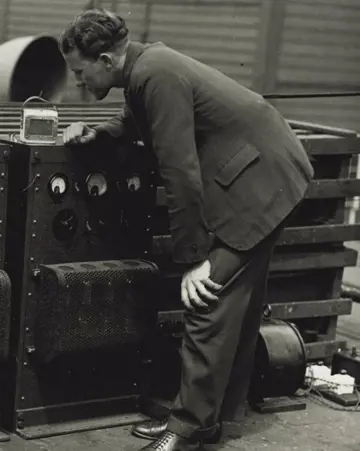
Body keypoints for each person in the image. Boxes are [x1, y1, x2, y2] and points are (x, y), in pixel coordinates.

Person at [59, 8, 314, 451]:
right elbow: (138, 121)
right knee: (233, 308)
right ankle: (205, 421)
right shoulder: (143, 67)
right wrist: (97, 135)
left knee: (207, 300)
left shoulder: (154, 73)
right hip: (263, 171)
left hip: (260, 182)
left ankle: (186, 428)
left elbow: (179, 170)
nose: (81, 83)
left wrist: (196, 259)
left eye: (82, 73)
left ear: (105, 60)